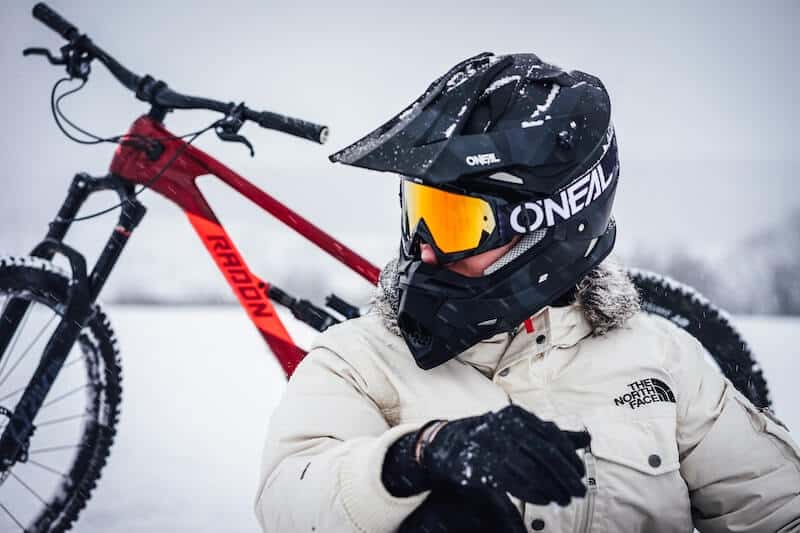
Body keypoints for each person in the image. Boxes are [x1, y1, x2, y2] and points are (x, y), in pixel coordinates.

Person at [254, 52, 800, 532]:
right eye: (420, 214)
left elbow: (778, 509)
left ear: (553, 222)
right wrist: (412, 460)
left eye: (455, 223)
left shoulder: (661, 360)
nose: (423, 249)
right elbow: (287, 501)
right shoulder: (359, 358)